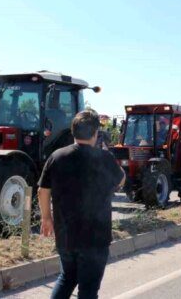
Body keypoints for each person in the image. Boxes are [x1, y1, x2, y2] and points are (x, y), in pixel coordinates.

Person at [38, 109, 126, 299]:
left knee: (67, 278)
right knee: (88, 289)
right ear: (95, 133)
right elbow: (121, 180)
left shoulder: (57, 157)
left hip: (66, 235)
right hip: (95, 238)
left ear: (73, 131)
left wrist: (46, 218)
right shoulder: (104, 158)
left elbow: (42, 190)